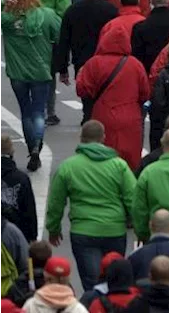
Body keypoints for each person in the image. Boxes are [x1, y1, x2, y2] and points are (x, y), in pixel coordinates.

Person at [44, 121, 132, 293]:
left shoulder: (68, 167)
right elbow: (132, 197)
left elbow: (56, 202)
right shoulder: (119, 165)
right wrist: (140, 226)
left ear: (81, 139)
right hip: (114, 229)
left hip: (83, 231)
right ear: (103, 137)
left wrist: (53, 229)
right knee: (114, 280)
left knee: (92, 283)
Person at [0, 0, 60, 171]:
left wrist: (3, 2)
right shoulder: (47, 15)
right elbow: (58, 35)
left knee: (25, 111)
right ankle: (37, 144)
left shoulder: (7, 20)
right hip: (41, 72)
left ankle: (31, 146)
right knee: (38, 111)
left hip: (17, 73)